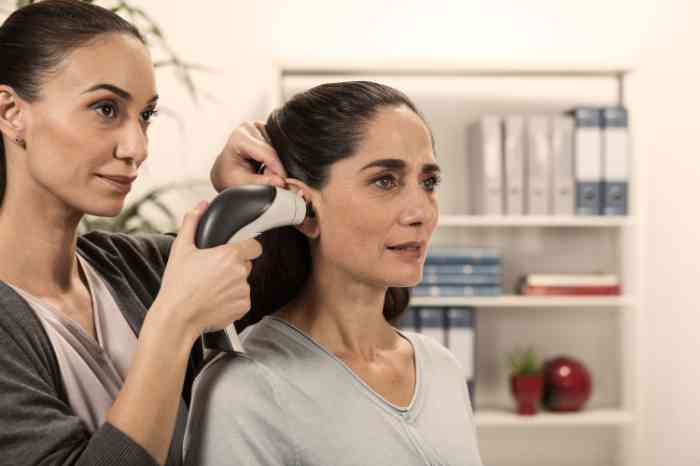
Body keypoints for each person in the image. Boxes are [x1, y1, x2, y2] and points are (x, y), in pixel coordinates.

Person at [0, 1, 284, 465]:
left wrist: (233, 198)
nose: (137, 147)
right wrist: (175, 324)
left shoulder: (139, 267)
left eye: (145, 115)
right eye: (105, 108)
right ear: (12, 113)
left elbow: (295, 284)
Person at [184, 81, 484, 466]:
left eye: (429, 182)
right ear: (302, 207)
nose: (422, 212)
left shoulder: (442, 368)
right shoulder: (245, 390)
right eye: (385, 181)